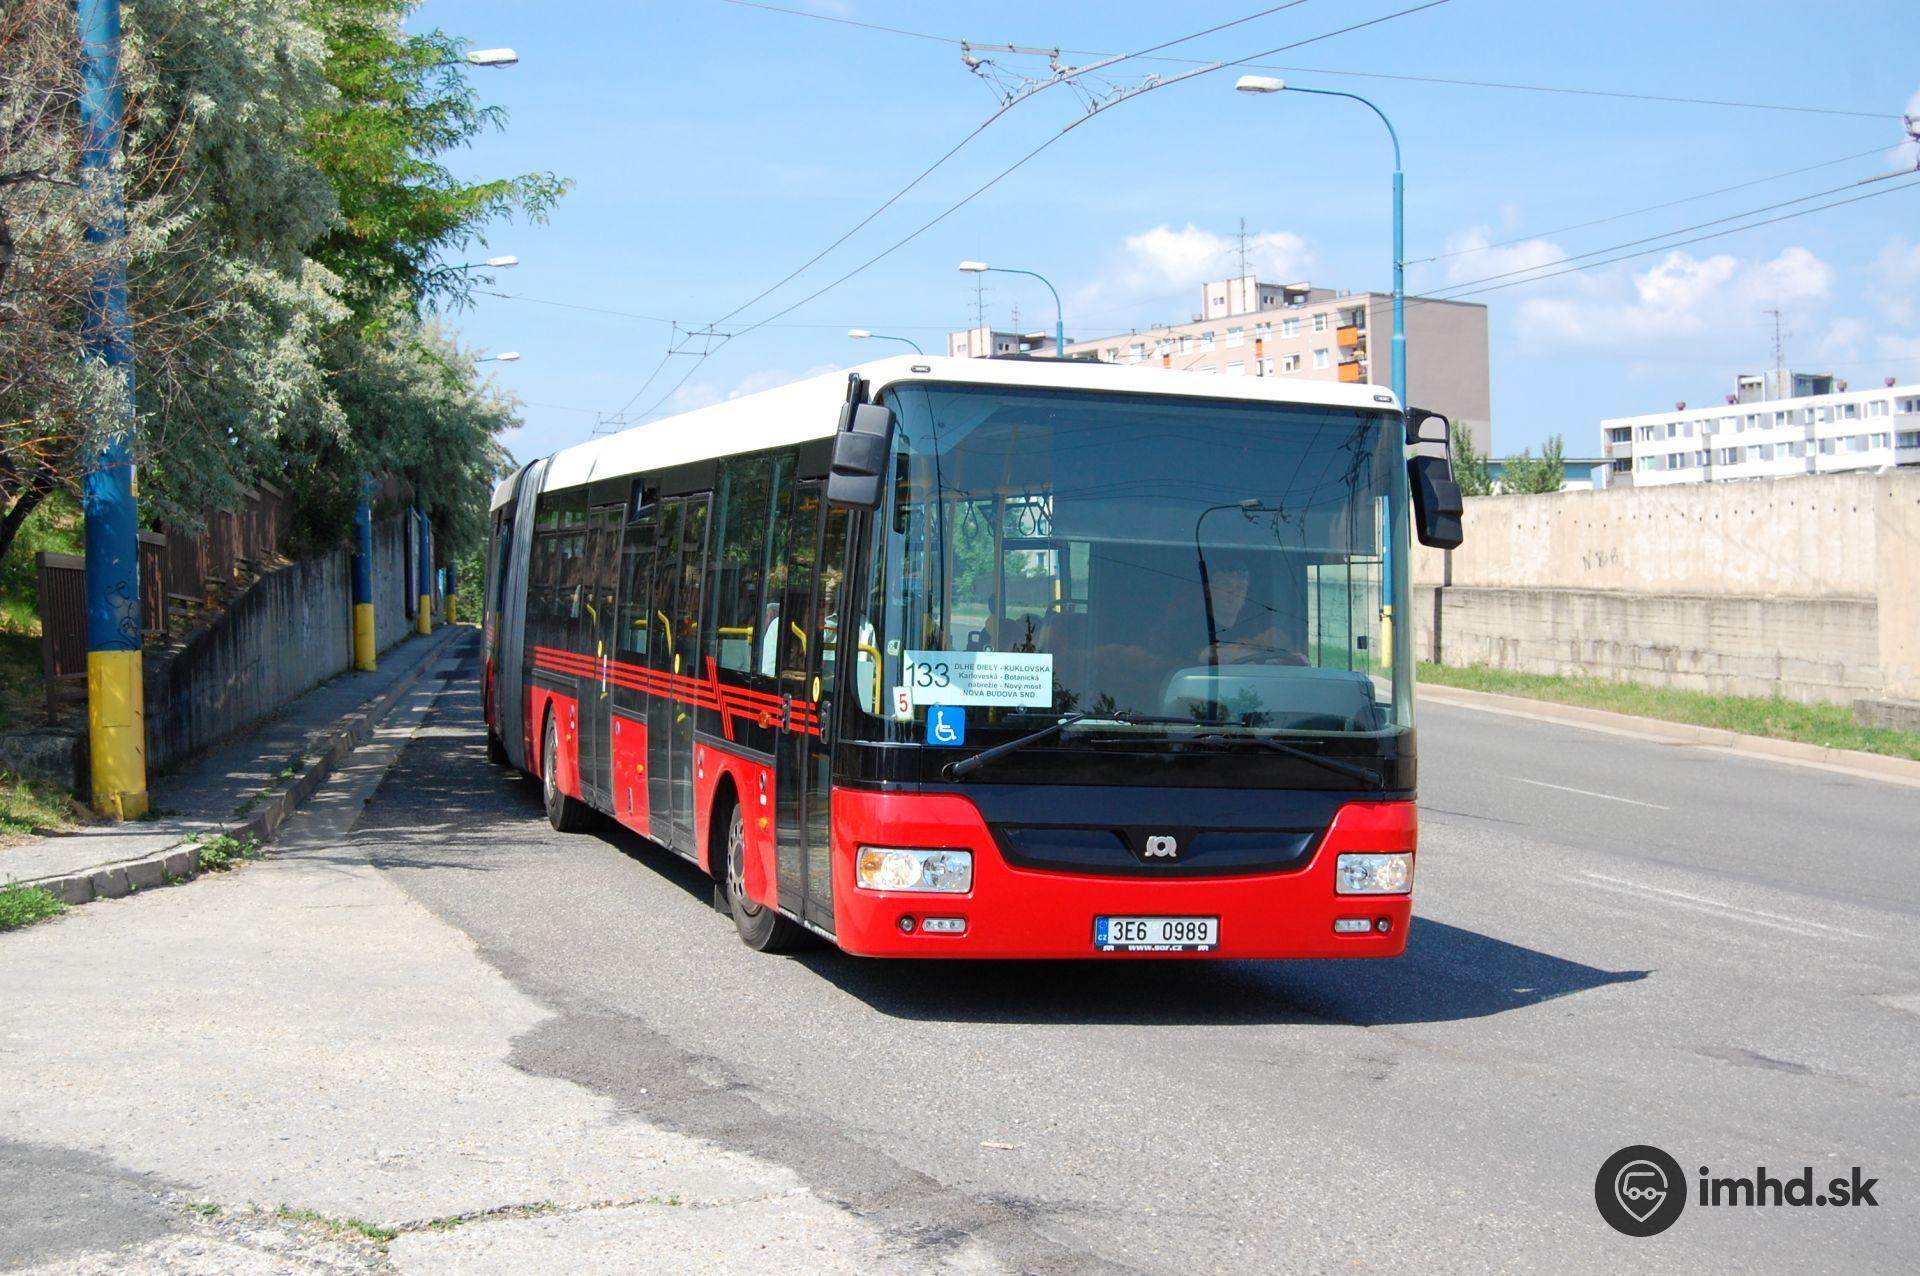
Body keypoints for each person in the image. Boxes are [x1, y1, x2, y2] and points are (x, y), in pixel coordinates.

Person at [1198, 562, 1301, 665]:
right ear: (1209, 591)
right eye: (1225, 585)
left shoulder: (1258, 630)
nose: (1233, 592)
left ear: (1245, 596)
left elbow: (1294, 654)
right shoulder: (1196, 629)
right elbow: (1205, 656)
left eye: (1240, 587)